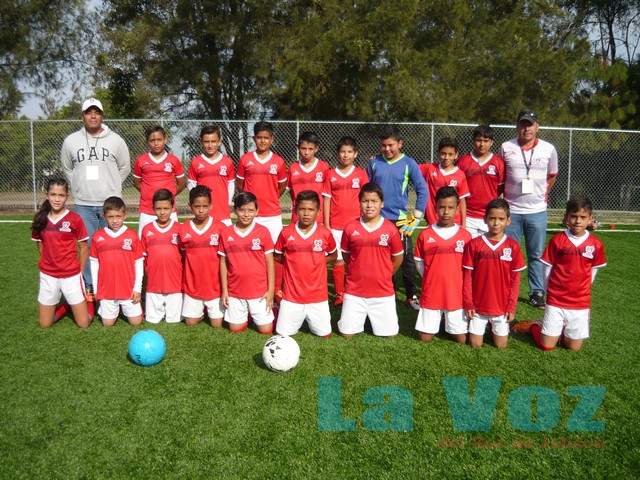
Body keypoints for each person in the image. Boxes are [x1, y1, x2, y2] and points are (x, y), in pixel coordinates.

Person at [513, 196, 606, 352]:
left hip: (580, 301)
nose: (578, 221)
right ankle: (534, 325)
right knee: (547, 346)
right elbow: (547, 267)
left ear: (590, 219)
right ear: (566, 218)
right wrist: (549, 289)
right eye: (574, 216)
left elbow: (594, 269)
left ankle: (561, 330)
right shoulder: (558, 240)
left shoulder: (595, 244)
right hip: (556, 299)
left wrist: (584, 287)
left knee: (573, 348)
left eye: (583, 217)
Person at [60, 98, 131, 297]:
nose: (93, 116)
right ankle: (90, 286)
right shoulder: (71, 141)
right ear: (82, 115)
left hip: (110, 204)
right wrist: (79, 185)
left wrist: (112, 185)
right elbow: (67, 168)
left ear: (102, 115)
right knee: (88, 246)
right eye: (88, 112)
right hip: (83, 204)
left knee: (113, 246)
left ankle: (112, 284)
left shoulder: (116, 140)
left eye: (97, 112)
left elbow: (124, 167)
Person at [499, 110, 558, 309]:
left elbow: (552, 175)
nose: (527, 128)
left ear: (537, 126)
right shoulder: (506, 147)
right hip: (512, 210)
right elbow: (501, 175)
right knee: (508, 252)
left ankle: (536, 292)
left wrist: (542, 194)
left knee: (536, 254)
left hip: (537, 211)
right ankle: (506, 288)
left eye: (530, 124)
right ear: (517, 126)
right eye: (523, 124)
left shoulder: (549, 149)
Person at [366, 125, 428, 311]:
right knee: (381, 258)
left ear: (400, 143)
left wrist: (416, 215)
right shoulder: (374, 163)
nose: (387, 149)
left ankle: (411, 295)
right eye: (383, 145)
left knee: (406, 259)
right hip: (379, 220)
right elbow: (367, 191)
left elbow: (422, 190)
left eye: (391, 145)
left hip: (401, 221)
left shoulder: (409, 163)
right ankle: (387, 293)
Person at [337, 182, 404, 338]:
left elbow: (398, 257)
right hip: (355, 291)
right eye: (365, 201)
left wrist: (386, 274)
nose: (369, 205)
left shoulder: (390, 229)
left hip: (383, 291)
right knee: (346, 334)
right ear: (359, 203)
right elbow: (347, 255)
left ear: (382, 203)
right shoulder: (350, 228)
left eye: (374, 201)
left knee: (390, 335)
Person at [463, 198, 526, 349]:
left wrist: (511, 306)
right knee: (475, 345)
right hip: (478, 307)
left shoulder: (513, 247)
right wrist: (468, 302)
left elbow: (515, 280)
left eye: (501, 219)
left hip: (501, 308)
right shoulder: (474, 244)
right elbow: (467, 277)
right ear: (485, 219)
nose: (496, 223)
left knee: (501, 346)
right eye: (492, 218)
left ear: (508, 221)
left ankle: (530, 326)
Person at [274, 190, 337, 337]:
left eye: (311, 210)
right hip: (291, 297)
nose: (306, 214)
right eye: (302, 209)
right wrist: (291, 262)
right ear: (296, 210)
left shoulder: (325, 234)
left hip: (318, 296)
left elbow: (333, 255)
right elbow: (276, 255)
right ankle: (278, 310)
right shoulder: (286, 232)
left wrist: (319, 262)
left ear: (318, 212)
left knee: (325, 335)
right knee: (281, 334)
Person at [414, 187, 472, 344]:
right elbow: (419, 263)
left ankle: (448, 321)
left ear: (457, 209)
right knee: (425, 338)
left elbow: (469, 268)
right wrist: (431, 277)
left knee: (460, 339)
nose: (446, 212)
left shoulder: (465, 236)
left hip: (455, 294)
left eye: (451, 207)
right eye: (442, 207)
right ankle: (439, 319)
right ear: (435, 208)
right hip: (432, 293)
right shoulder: (425, 234)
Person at [31, 178, 92, 328]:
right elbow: (40, 246)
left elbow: (84, 248)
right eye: (53, 194)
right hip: (48, 274)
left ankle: (89, 300)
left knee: (83, 324)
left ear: (67, 196)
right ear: (47, 195)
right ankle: (66, 306)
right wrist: (49, 263)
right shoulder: (40, 219)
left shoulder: (75, 219)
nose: (57, 199)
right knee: (45, 324)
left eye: (61, 195)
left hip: (71, 275)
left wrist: (80, 273)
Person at [236, 121, 287, 300]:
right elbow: (241, 185)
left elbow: (281, 187)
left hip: (272, 214)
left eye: (266, 138)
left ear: (272, 139)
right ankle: (253, 288)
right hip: (251, 215)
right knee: (251, 251)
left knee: (275, 253)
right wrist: (250, 205)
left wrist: (269, 198)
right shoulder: (246, 160)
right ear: (254, 138)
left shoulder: (279, 161)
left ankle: (277, 291)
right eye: (259, 138)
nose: (263, 141)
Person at [218, 192, 276, 334]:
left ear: (257, 211)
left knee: (266, 331)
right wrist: (225, 290)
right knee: (235, 329)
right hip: (235, 291)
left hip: (259, 291)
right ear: (235, 210)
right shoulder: (226, 233)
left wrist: (271, 291)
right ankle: (247, 314)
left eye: (250, 210)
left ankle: (273, 309)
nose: (246, 214)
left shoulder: (263, 232)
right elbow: (223, 263)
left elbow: (270, 263)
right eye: (242, 210)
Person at [322, 136, 368, 306]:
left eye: (349, 152)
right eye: (343, 151)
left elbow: (366, 199)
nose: (346, 155)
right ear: (337, 154)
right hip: (336, 226)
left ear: (356, 154)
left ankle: (355, 291)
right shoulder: (331, 175)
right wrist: (326, 224)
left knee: (357, 260)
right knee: (339, 259)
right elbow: (326, 199)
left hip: (356, 225)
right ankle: (340, 293)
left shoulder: (361, 174)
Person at [89, 197, 143, 327]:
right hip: (107, 289)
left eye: (118, 216)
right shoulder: (98, 236)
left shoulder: (132, 235)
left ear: (125, 215)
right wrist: (96, 289)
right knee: (108, 324)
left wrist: (137, 288)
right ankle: (109, 308)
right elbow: (94, 264)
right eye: (110, 216)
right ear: (104, 216)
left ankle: (126, 307)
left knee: (136, 322)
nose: (114, 220)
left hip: (128, 289)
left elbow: (139, 263)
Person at [179, 186, 225, 327]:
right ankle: (199, 313)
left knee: (217, 325)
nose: (201, 210)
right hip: (193, 287)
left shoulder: (220, 228)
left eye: (205, 206)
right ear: (190, 206)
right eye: (197, 206)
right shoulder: (184, 228)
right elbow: (182, 255)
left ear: (211, 206)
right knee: (190, 323)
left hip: (215, 288)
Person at [133, 125, 186, 236]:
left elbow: (181, 184)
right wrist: (148, 193)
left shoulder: (173, 160)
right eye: (152, 140)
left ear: (165, 140)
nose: (156, 143)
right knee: (144, 244)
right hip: (147, 210)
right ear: (147, 141)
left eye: (159, 140)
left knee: (173, 242)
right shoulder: (141, 160)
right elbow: (137, 183)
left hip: (169, 210)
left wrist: (169, 196)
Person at [140, 189, 183, 324]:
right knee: (152, 321)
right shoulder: (147, 229)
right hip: (154, 285)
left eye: (166, 208)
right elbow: (143, 258)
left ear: (172, 208)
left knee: (174, 321)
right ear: (153, 208)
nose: (162, 212)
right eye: (158, 208)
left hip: (175, 285)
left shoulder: (179, 229)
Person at [457, 125, 505, 238]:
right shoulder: (463, 161)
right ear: (473, 141)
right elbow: (458, 188)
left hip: (489, 215)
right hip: (467, 216)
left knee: (487, 251)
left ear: (492, 142)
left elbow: (500, 188)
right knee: (467, 250)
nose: (482, 144)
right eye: (478, 140)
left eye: (486, 141)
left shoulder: (498, 163)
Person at [187, 125, 236, 225]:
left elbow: (231, 185)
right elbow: (191, 186)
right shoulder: (196, 162)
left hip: (223, 215)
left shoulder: (227, 161)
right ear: (201, 142)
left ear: (219, 142)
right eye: (206, 142)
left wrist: (226, 203)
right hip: (204, 215)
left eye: (213, 141)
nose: (210, 145)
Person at [419, 137, 470, 229]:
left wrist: (464, 223)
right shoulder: (429, 169)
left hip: (454, 222)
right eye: (443, 154)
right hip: (433, 220)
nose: (446, 157)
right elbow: (409, 167)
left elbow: (462, 201)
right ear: (438, 153)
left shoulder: (460, 175)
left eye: (450, 154)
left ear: (456, 155)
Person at [286, 131, 330, 224]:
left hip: (318, 219)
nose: (306, 152)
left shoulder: (324, 167)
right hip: (297, 217)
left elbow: (327, 194)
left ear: (316, 149)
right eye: (303, 148)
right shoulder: (293, 167)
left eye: (310, 149)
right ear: (298, 147)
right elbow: (291, 191)